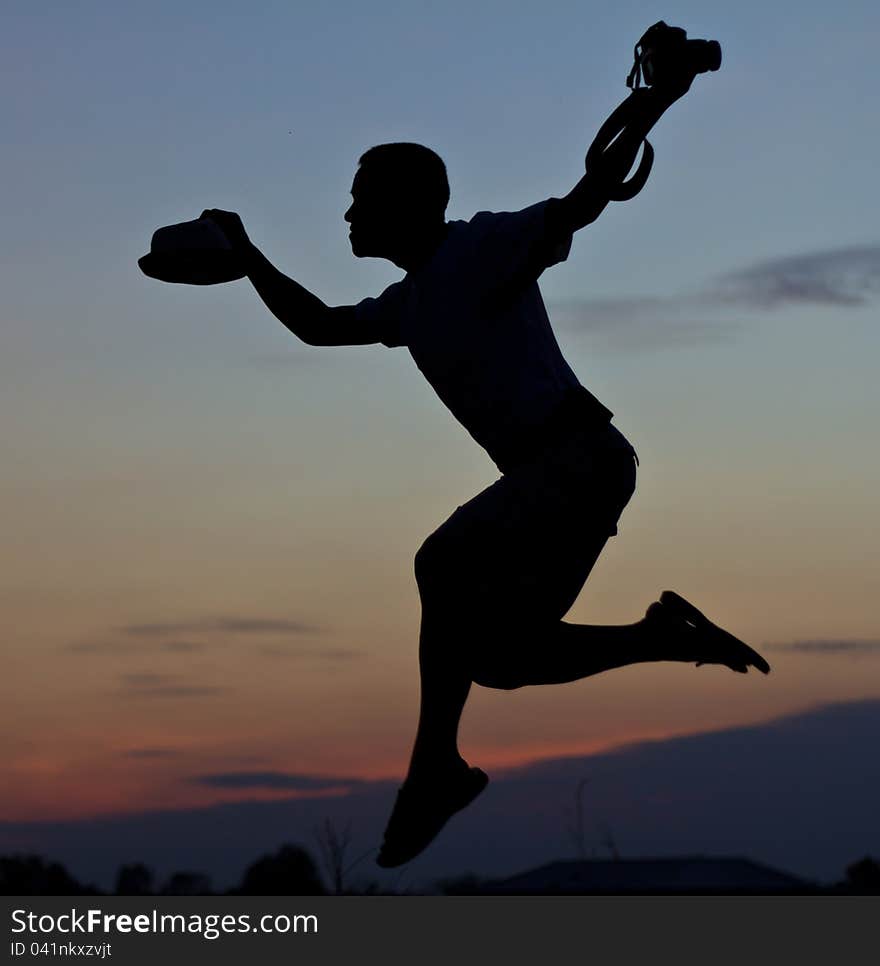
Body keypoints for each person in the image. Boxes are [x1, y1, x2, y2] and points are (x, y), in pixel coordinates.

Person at [201, 78, 769, 869]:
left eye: (361, 198)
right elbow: (320, 326)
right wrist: (248, 257)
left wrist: (654, 99)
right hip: (568, 475)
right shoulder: (408, 302)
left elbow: (587, 196)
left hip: (577, 460)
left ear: (406, 203)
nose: (348, 215)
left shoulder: (484, 245)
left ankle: (433, 770)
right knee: (498, 659)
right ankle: (663, 637)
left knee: (441, 561)